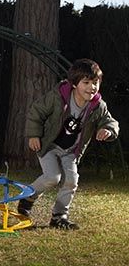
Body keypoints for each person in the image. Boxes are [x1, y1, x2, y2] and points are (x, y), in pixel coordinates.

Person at [17, 58, 119, 230]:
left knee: (71, 180)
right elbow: (37, 111)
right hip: (49, 146)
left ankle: (59, 216)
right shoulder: (58, 97)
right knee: (53, 177)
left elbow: (110, 121)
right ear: (74, 84)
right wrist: (34, 135)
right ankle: (27, 198)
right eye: (86, 82)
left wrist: (108, 130)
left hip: (70, 151)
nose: (91, 87)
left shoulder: (97, 105)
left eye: (95, 83)